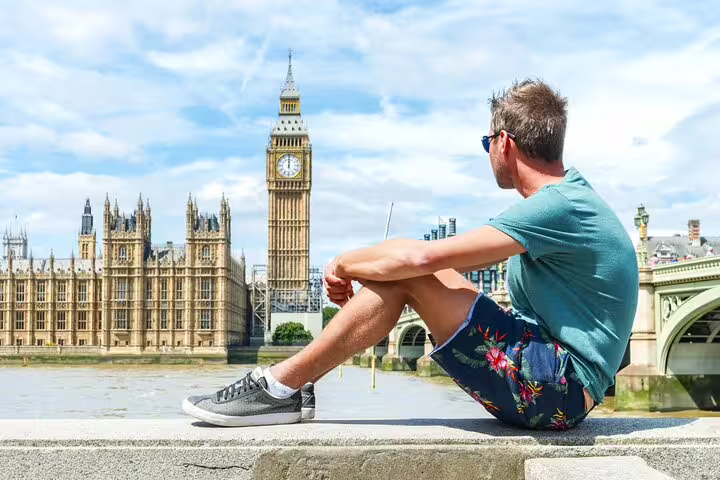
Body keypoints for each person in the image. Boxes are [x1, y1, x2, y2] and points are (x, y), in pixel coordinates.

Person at [182, 79, 639, 430]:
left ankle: (280, 386)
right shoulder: (568, 202)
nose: (487, 155)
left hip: (555, 392)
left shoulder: (557, 206)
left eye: (486, 145)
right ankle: (294, 388)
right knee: (405, 260)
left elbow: (422, 262)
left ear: (503, 143)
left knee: (408, 270)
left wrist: (342, 265)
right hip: (554, 379)